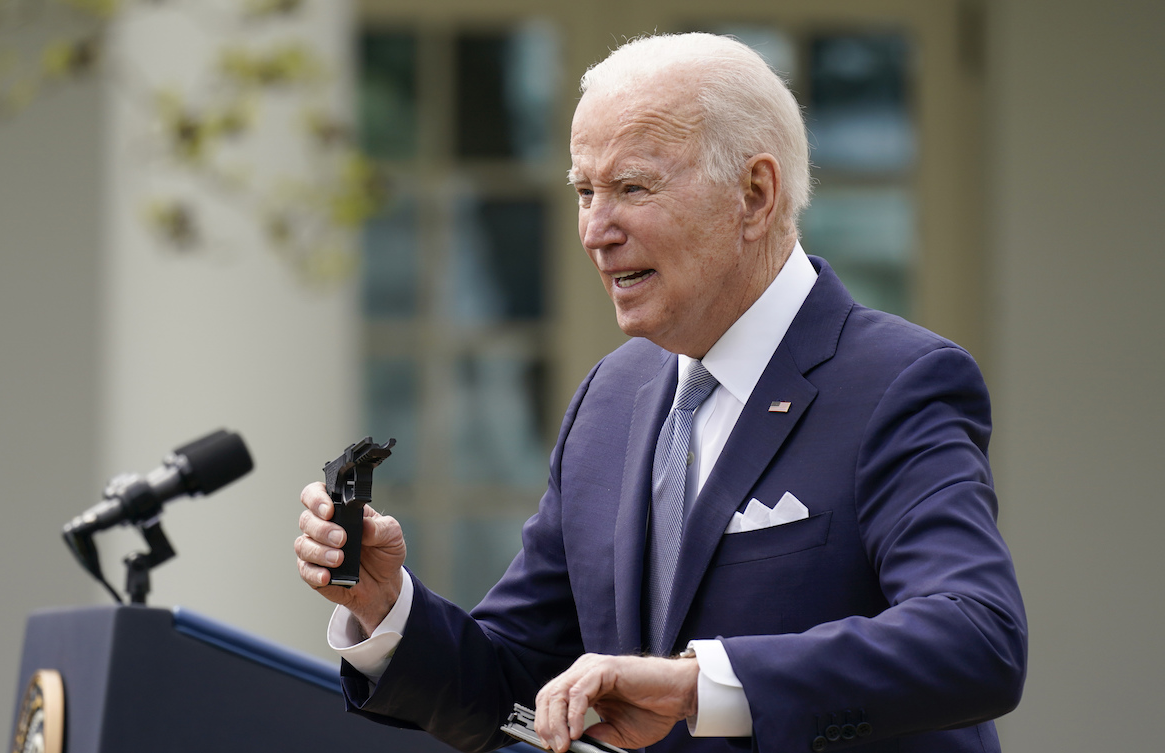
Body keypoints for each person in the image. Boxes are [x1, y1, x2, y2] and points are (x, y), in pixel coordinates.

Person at [295, 32, 1027, 753]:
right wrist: (385, 605)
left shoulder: (898, 381)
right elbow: (514, 680)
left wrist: (698, 686)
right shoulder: (611, 398)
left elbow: (974, 635)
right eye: (585, 190)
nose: (595, 229)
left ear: (755, 193)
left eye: (631, 187)